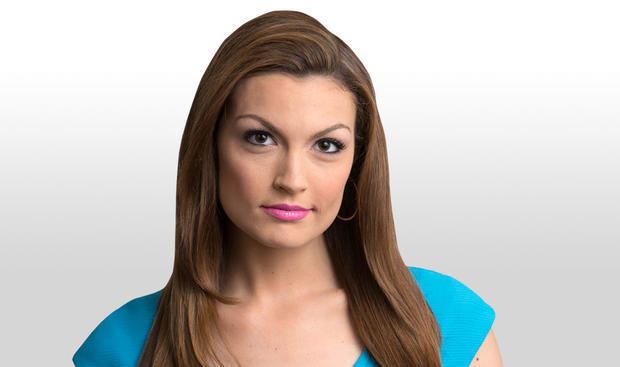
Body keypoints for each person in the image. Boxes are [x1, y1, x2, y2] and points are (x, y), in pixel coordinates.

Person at [72, 10, 503, 367]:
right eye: (260, 138)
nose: (292, 179)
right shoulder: (125, 346)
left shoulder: (445, 321)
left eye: (327, 145)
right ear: (211, 147)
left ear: (357, 163)